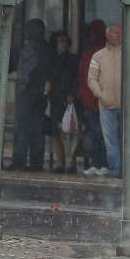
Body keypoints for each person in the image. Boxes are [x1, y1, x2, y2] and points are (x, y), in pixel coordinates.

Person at [87, 23, 130, 178]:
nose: (117, 36)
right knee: (110, 140)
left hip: (127, 104)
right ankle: (116, 170)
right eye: (113, 33)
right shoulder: (98, 56)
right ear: (107, 35)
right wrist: (101, 94)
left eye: (119, 33)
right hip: (106, 104)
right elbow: (91, 79)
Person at [8, 19, 52, 172]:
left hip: (27, 93)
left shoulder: (30, 48)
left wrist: (22, 86)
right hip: (40, 92)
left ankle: (19, 161)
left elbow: (27, 70)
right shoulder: (47, 47)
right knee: (36, 129)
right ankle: (36, 162)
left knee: (22, 128)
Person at [77, 20, 108, 176]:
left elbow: (83, 77)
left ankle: (99, 163)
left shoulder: (91, 53)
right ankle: (100, 163)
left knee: (96, 134)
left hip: (94, 101)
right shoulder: (104, 52)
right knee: (100, 134)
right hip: (98, 101)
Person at [46, 30, 79, 173]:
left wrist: (72, 94)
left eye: (65, 41)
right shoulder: (52, 59)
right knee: (56, 131)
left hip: (68, 99)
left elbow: (76, 78)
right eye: (61, 41)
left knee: (71, 132)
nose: (63, 44)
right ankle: (60, 162)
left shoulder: (72, 59)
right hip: (55, 99)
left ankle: (70, 162)